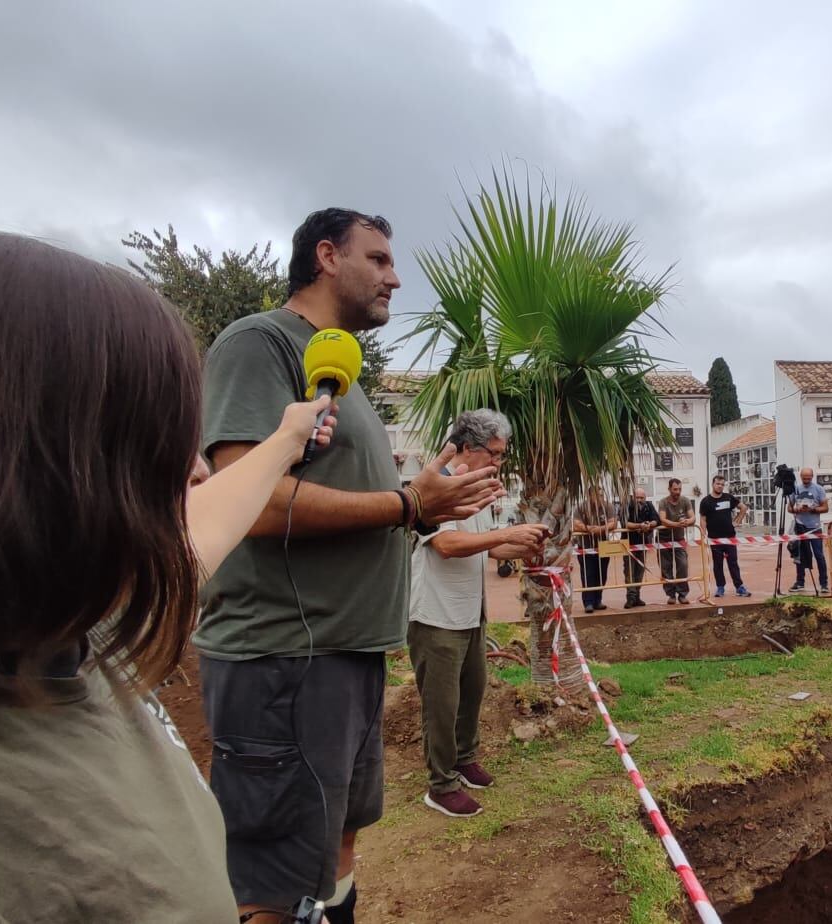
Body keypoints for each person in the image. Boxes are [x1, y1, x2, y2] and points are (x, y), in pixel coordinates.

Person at [0, 233, 350, 920]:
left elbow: (194, 535)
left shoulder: (52, 630)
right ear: (32, 471)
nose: (200, 470)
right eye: (151, 444)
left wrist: (287, 440)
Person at [196, 208, 504, 923]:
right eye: (381, 259)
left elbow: (369, 508)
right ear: (328, 256)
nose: (396, 278)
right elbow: (252, 502)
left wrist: (427, 505)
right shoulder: (259, 342)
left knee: (335, 847)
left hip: (348, 654)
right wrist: (403, 505)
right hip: (284, 660)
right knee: (275, 879)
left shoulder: (342, 368)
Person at [408, 411, 549, 818]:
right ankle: (440, 783)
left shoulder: (477, 488)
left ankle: (464, 759)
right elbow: (447, 544)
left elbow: (487, 547)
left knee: (472, 692)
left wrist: (524, 545)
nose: (499, 463)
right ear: (468, 447)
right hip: (436, 616)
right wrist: (506, 534)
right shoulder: (435, 486)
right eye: (496, 454)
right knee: (442, 704)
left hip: (470, 612)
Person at [702, 474, 752, 597]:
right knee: (718, 565)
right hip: (714, 539)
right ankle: (720, 588)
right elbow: (703, 519)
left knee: (733, 563)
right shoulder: (706, 501)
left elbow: (744, 508)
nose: (720, 486)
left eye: (722, 484)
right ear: (713, 484)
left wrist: (737, 521)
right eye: (718, 484)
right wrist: (704, 536)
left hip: (729, 537)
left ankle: (739, 587)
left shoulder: (728, 498)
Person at [573, 488, 621, 613]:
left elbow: (613, 523)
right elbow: (575, 524)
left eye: (602, 495)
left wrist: (600, 528)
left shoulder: (608, 506)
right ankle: (588, 602)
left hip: (603, 545)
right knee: (588, 574)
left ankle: (597, 600)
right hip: (585, 546)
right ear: (589, 496)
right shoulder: (581, 507)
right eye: (597, 495)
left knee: (602, 574)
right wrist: (588, 528)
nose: (600, 498)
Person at [788, 467, 831, 593]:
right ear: (800, 476)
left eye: (809, 478)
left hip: (815, 527)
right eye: (804, 478)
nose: (806, 480)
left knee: (819, 555)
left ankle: (824, 583)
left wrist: (813, 509)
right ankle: (800, 582)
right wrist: (797, 509)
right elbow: (789, 508)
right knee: (799, 555)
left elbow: (825, 508)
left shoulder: (818, 489)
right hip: (800, 526)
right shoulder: (796, 489)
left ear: (812, 476)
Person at [656, 477, 695, 604]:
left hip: (679, 539)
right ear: (669, 489)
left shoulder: (685, 501)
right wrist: (677, 524)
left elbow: (693, 517)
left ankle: (682, 594)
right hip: (663, 538)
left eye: (679, 489)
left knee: (683, 565)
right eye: (675, 489)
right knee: (666, 567)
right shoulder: (663, 502)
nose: (677, 492)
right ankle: (671, 595)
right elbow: (663, 519)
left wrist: (687, 521)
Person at [623, 486, 660, 608]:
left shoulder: (649, 506)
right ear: (633, 497)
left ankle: (637, 596)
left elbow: (656, 520)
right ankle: (630, 598)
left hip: (642, 544)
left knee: (639, 571)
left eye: (641, 497)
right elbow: (625, 523)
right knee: (629, 572)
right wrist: (639, 525)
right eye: (637, 497)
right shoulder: (626, 506)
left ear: (645, 498)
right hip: (628, 544)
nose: (639, 500)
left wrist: (649, 525)